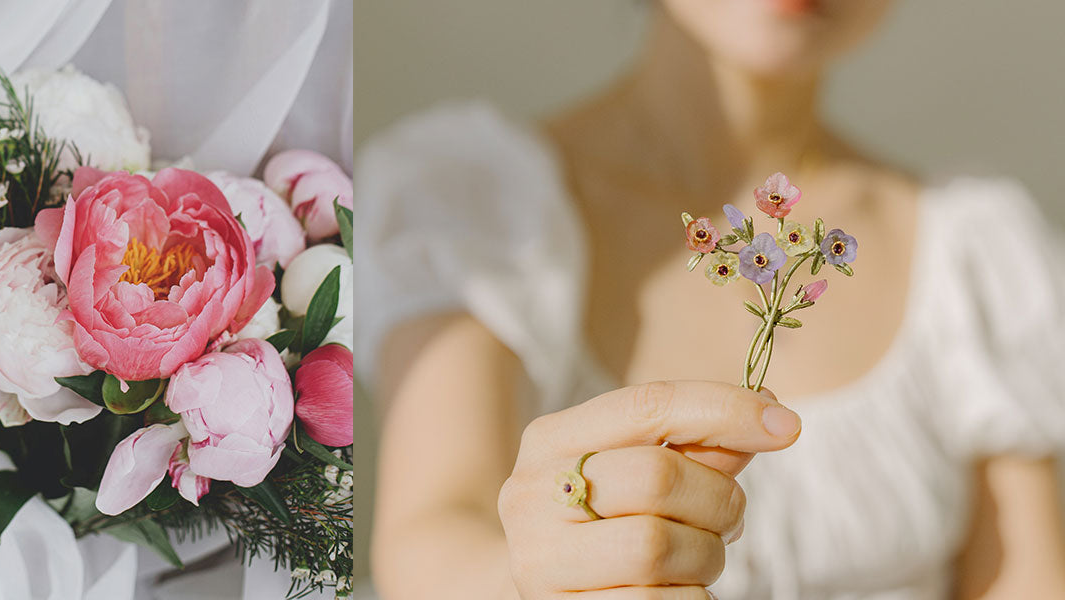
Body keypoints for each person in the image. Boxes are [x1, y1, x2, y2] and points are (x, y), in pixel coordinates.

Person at [362, 1, 1065, 597]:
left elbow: (1025, 576)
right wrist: (533, 572)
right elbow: (431, 538)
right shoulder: (476, 205)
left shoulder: (974, 249)